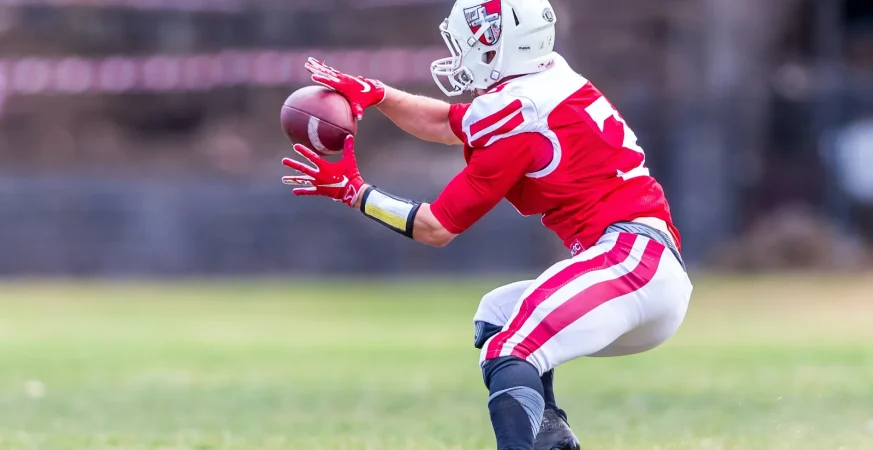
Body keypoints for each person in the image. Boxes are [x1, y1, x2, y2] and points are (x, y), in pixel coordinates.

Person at [281, 1, 693, 449]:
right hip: (640, 265)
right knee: (498, 314)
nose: (460, 55)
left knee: (510, 351)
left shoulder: (521, 115)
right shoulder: (544, 82)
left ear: (500, 46)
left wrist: (355, 193)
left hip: (631, 261)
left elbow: (435, 227)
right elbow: (445, 122)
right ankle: (549, 439)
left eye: (468, 44)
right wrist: (378, 94)